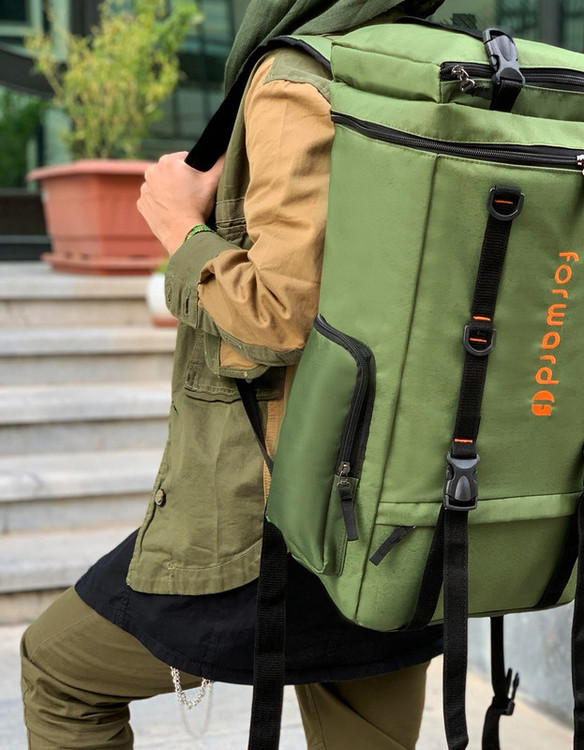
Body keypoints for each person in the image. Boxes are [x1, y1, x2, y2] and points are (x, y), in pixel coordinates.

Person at [20, 2, 446, 748]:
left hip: (279, 516)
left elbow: (277, 314)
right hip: (414, 505)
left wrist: (178, 226)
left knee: (59, 672)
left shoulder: (297, 77)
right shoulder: (445, 70)